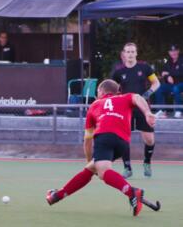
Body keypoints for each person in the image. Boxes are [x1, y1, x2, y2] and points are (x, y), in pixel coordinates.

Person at [46, 79, 156, 217]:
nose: (97, 93)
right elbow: (138, 98)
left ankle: (133, 192)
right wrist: (147, 113)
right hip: (123, 143)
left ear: (102, 91)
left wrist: (89, 159)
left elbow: (87, 141)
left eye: (97, 90)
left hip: (104, 137)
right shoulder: (125, 97)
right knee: (90, 169)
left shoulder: (95, 105)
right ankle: (58, 195)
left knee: (103, 172)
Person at [112, 42, 160, 178]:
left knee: (149, 139)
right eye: (128, 52)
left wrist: (148, 93)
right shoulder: (118, 72)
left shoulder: (144, 68)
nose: (130, 54)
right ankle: (127, 167)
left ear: (136, 53)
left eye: (133, 52)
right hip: (125, 109)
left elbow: (156, 83)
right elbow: (112, 88)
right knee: (124, 139)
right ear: (124, 54)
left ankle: (147, 162)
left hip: (143, 108)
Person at [154, 45, 183, 118]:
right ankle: (162, 111)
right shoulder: (167, 60)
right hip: (171, 84)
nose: (173, 53)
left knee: (176, 89)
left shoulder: (181, 60)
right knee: (159, 88)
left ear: (178, 51)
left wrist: (169, 74)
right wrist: (167, 76)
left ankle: (179, 111)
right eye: (171, 51)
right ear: (169, 52)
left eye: (175, 51)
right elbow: (162, 71)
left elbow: (180, 73)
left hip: (181, 83)